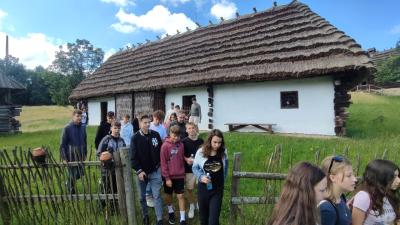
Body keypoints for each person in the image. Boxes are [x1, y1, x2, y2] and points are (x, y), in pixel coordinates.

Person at [130, 114, 163, 225]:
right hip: (142, 173)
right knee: (142, 197)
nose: (148, 124)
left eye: (149, 122)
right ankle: (145, 216)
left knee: (157, 195)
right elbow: (133, 158)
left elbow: (161, 152)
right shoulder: (135, 138)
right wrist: (139, 170)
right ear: (140, 123)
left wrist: (160, 165)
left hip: (155, 170)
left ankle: (159, 219)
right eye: (145, 122)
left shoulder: (156, 135)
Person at [192, 129, 228, 225]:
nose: (217, 145)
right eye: (215, 142)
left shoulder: (224, 153)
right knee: (203, 220)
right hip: (203, 190)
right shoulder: (201, 152)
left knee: (213, 221)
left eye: (219, 142)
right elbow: (194, 168)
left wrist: (222, 183)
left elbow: (225, 169)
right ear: (210, 141)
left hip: (217, 190)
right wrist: (201, 177)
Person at [351, 159, 400, 225]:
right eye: (394, 177)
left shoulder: (388, 194)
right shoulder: (363, 197)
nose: (398, 180)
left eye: (397, 176)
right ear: (381, 177)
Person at [160, 125, 187, 225]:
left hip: (179, 175)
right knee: (168, 195)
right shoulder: (165, 146)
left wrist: (183, 174)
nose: (176, 138)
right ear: (170, 134)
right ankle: (171, 211)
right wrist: (167, 178)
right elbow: (163, 163)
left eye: (178, 136)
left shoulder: (181, 145)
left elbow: (181, 158)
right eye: (174, 135)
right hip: (169, 176)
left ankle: (182, 218)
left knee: (181, 196)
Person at [96, 121, 126, 209]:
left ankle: (114, 208)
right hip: (107, 170)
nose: (117, 130)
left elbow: (124, 154)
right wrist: (107, 155)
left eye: (118, 128)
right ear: (111, 128)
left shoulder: (122, 140)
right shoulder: (106, 139)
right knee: (105, 189)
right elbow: (99, 153)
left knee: (116, 189)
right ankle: (100, 207)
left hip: (117, 170)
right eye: (115, 128)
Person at [319, 156, 356, 225]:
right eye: (349, 176)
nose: (354, 179)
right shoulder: (326, 209)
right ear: (333, 178)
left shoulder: (341, 197)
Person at [60, 109, 87, 194]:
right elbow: (63, 143)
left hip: (81, 154)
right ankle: (70, 189)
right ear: (73, 117)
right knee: (72, 174)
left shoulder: (83, 127)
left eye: (81, 116)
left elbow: (85, 141)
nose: (79, 118)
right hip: (71, 155)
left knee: (79, 173)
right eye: (77, 116)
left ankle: (69, 183)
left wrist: (85, 153)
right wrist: (64, 157)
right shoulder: (67, 128)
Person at [182, 122, 204, 219]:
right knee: (190, 189)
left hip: (200, 169)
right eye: (189, 128)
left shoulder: (201, 141)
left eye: (193, 128)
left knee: (200, 188)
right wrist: (186, 159)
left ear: (196, 129)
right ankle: (192, 205)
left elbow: (205, 154)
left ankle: (199, 203)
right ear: (186, 130)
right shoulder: (184, 141)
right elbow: (180, 155)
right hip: (189, 169)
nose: (191, 130)